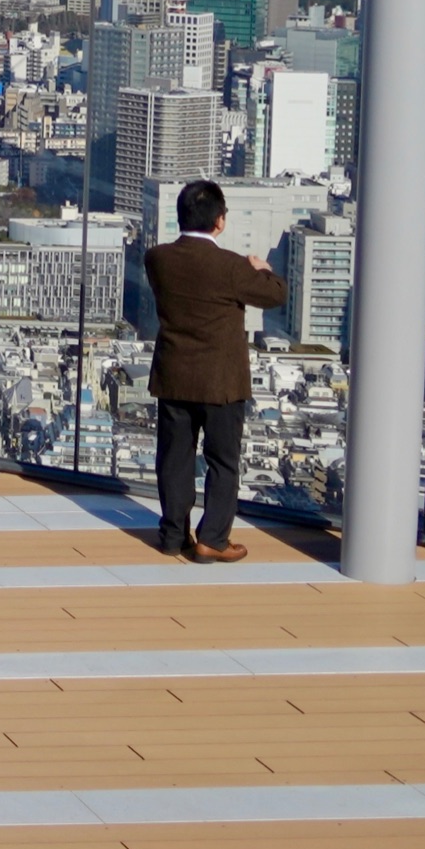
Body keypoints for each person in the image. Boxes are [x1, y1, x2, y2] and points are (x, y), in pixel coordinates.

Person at [140, 180, 287, 564]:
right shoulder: (232, 267)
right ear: (219, 222)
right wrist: (263, 269)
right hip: (221, 381)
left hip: (174, 374)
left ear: (179, 217)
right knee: (222, 461)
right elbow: (275, 295)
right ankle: (213, 539)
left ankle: (173, 535)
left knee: (174, 457)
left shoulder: (156, 258)